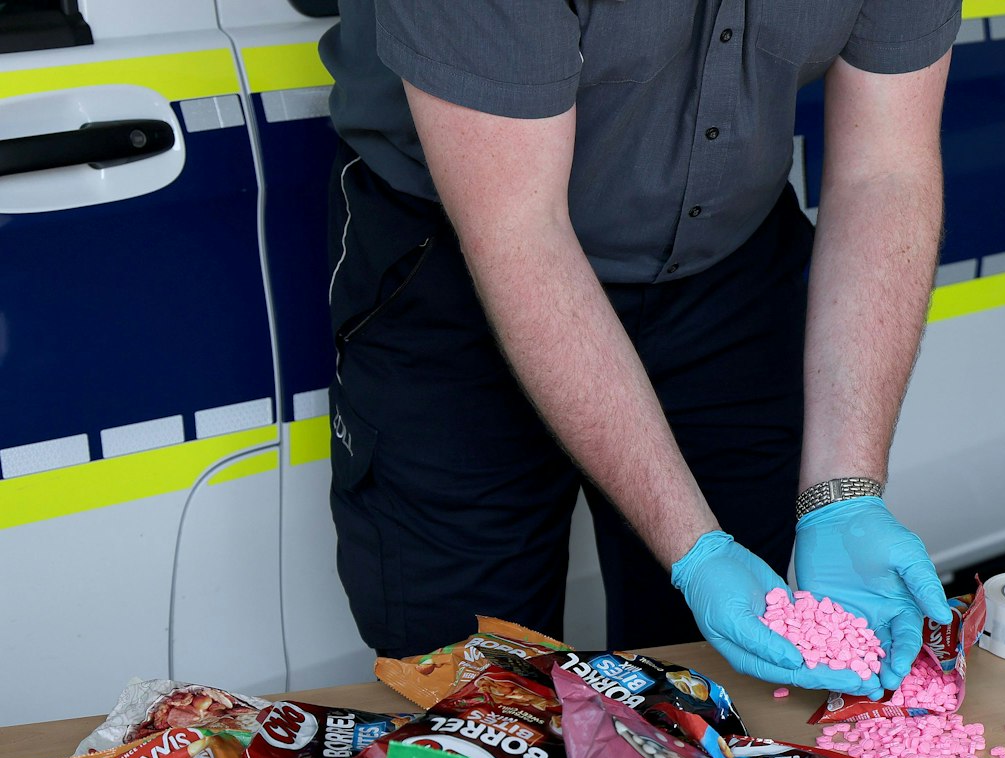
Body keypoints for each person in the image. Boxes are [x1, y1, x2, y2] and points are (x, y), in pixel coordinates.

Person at [319, 1, 961, 697]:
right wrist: (696, 550)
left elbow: (885, 173)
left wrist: (843, 494)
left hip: (724, 259)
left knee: (724, 682)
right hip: (455, 267)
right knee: (475, 689)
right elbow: (521, 231)